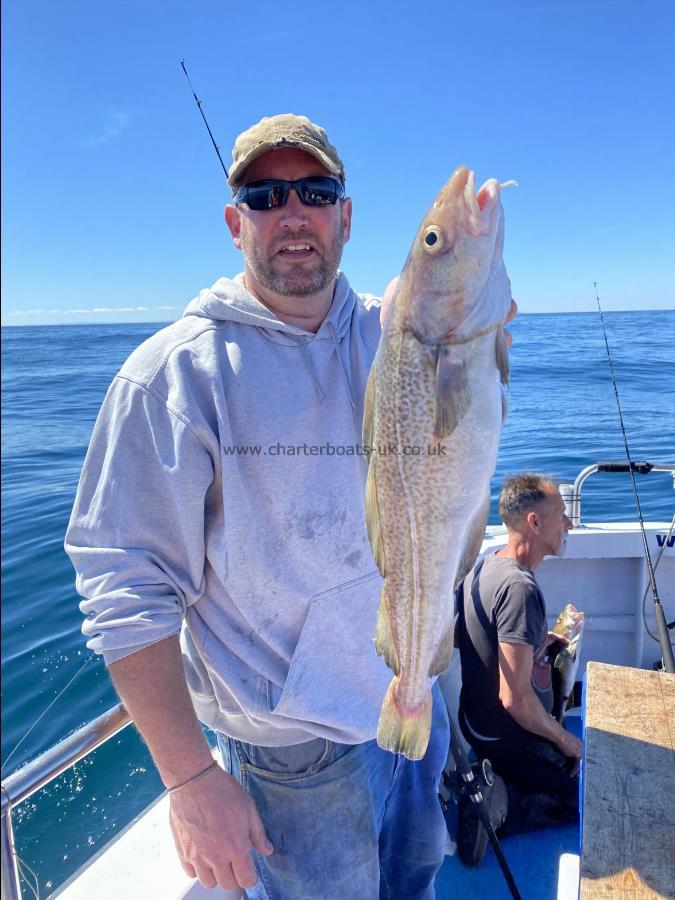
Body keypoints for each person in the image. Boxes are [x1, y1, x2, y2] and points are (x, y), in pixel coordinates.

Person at [66, 114, 508, 899]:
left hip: (407, 696)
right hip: (290, 753)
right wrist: (190, 779)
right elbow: (124, 592)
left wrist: (477, 310)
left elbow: (465, 403)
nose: (293, 213)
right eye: (267, 196)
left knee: (416, 880)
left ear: (346, 217)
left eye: (315, 191)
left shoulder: (393, 330)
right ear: (237, 224)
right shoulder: (171, 379)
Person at [454, 473, 582, 867]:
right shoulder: (521, 589)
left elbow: (474, 642)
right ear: (535, 523)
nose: (570, 524)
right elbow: (515, 701)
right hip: (502, 734)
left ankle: (495, 779)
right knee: (577, 796)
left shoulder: (486, 566)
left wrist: (536, 642)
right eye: (562, 514)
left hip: (473, 722)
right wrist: (566, 741)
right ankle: (496, 811)